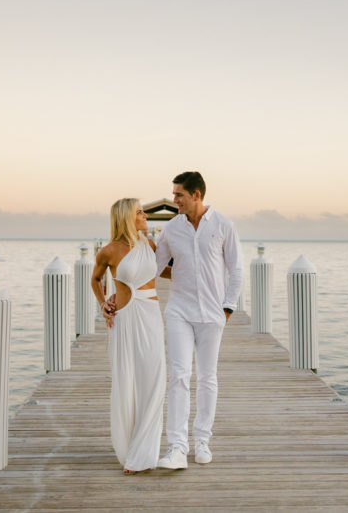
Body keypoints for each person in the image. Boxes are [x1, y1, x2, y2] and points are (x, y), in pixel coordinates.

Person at [154, 171, 243, 469]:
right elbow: (157, 267)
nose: (174, 199)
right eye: (174, 194)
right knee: (178, 376)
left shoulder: (223, 225)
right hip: (179, 310)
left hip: (212, 313)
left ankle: (202, 439)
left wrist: (227, 308)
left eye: (179, 194)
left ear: (196, 195)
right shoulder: (170, 230)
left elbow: (237, 270)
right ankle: (177, 447)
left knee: (207, 377)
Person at [91, 198, 166, 474]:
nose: (145, 215)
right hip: (124, 320)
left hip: (151, 317)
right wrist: (103, 303)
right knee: (127, 381)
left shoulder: (149, 244)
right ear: (126, 217)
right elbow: (95, 279)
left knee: (154, 380)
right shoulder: (108, 251)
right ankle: (132, 447)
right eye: (139, 212)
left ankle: (144, 450)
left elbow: (164, 271)